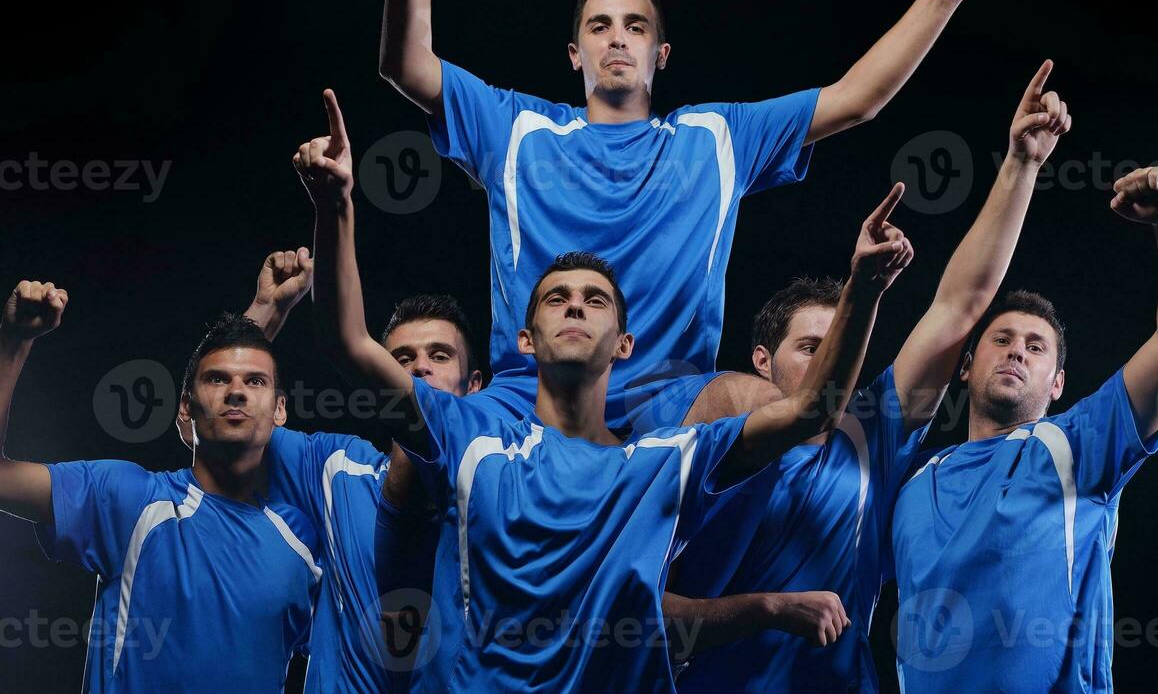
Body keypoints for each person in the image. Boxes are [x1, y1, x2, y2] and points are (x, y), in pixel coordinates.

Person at [292, 86, 913, 691]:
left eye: (595, 301)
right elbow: (348, 344)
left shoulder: (661, 464)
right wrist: (335, 205)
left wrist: (863, 289)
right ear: (525, 341)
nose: (574, 307)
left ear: (624, 344)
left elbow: (810, 411)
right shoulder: (469, 437)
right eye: (556, 298)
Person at [378, 0, 992, 432]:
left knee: (777, 411)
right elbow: (407, 66)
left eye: (635, 26)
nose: (617, 38)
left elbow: (857, 98)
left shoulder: (716, 137)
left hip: (670, 395)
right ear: (575, 54)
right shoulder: (516, 129)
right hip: (530, 390)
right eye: (600, 26)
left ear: (660, 54)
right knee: (426, 435)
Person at [666, 62, 1072, 692]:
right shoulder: (714, 435)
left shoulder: (870, 433)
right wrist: (765, 610)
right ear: (763, 360)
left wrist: (1022, 163)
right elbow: (636, 612)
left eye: (843, 343)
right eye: (808, 346)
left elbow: (960, 305)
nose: (832, 361)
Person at [890, 164, 1158, 692]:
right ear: (965, 366)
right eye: (1002, 339)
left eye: (1035, 347)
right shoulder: (911, 483)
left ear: (1058, 382)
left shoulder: (1076, 445)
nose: (1017, 348)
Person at [0, 284, 321, 694]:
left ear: (280, 410)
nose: (237, 390)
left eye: (256, 381)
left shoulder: (302, 540)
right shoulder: (130, 499)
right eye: (218, 379)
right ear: (185, 408)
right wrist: (13, 341)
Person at [240, 248, 483, 694]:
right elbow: (228, 431)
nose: (419, 368)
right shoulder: (339, 471)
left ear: (474, 387)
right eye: (401, 359)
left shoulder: (507, 493)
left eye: (440, 355)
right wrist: (265, 313)